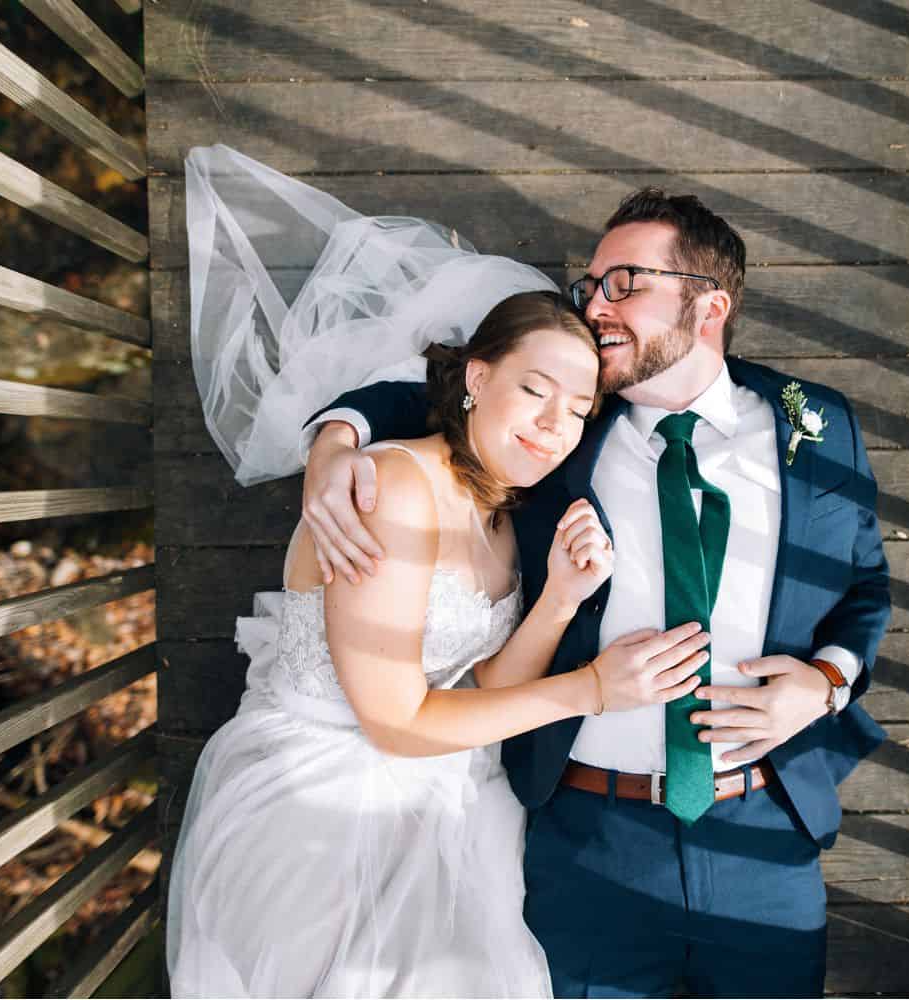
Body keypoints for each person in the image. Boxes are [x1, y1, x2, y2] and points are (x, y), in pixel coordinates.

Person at [302, 188, 892, 996]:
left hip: (765, 827)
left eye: (624, 283)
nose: (595, 304)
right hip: (586, 831)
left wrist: (825, 685)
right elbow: (443, 393)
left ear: (708, 304)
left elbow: (864, 584)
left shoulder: (815, 424)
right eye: (590, 285)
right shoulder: (564, 423)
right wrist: (336, 442)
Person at [166, 147, 713, 997]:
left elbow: (483, 682)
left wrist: (558, 602)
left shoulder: (502, 515)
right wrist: (593, 690)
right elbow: (393, 721)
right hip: (324, 808)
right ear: (477, 377)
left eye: (578, 410)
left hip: (451, 799)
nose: (555, 426)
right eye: (535, 390)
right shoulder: (389, 490)